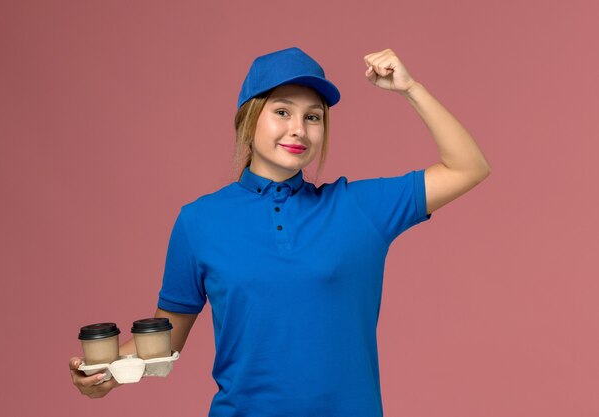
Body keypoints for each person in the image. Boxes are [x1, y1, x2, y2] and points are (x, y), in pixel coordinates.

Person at [69, 46, 490, 415]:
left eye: (313, 117)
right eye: (282, 111)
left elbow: (468, 167)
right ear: (250, 119)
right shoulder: (199, 221)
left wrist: (410, 88)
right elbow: (164, 338)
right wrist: (106, 372)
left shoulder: (359, 209)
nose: (298, 129)